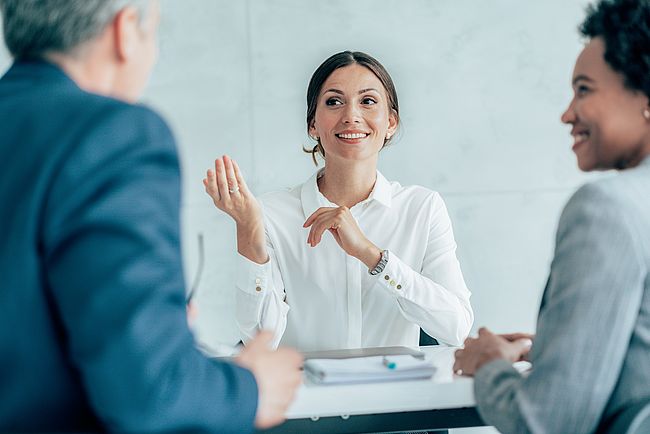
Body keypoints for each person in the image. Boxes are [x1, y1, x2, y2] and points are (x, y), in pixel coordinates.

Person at [0, 1, 302, 432]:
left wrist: (147, 322)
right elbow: (151, 392)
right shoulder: (114, 136)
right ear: (125, 31)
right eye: (154, 33)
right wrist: (251, 389)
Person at [453, 0, 650, 432]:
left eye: (584, 89)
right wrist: (552, 349)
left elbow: (545, 423)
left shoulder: (609, 209)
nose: (567, 113)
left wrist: (488, 365)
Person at [204, 51, 474, 352]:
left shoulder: (422, 208)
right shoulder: (271, 213)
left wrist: (373, 256)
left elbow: (456, 328)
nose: (351, 116)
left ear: (391, 122)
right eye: (334, 101)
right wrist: (248, 230)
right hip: (306, 398)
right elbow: (260, 340)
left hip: (397, 396)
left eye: (368, 101)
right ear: (313, 125)